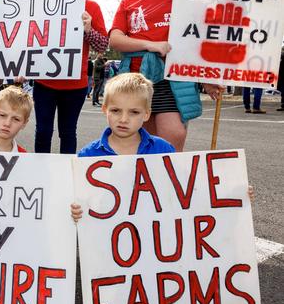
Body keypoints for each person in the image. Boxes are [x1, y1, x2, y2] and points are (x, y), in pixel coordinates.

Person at [71, 72, 253, 221]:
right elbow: (77, 198)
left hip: (154, 240)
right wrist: (74, 210)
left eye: (134, 112)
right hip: (107, 246)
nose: (124, 119)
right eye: (116, 110)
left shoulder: (163, 149)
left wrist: (232, 193)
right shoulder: (88, 155)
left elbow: (187, 190)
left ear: (146, 114)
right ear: (105, 110)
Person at [109, 0, 222, 151]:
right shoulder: (128, 2)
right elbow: (115, 39)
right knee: (145, 143)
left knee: (172, 139)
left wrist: (206, 79)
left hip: (173, 77)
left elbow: (196, 39)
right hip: (138, 79)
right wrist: (151, 45)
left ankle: (171, 182)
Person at [28, 0, 109, 154]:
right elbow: (30, 38)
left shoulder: (91, 6)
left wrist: (88, 29)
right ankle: (41, 174)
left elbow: (103, 45)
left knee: (67, 132)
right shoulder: (42, 4)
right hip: (45, 82)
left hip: (75, 84)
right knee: (43, 131)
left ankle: (66, 173)